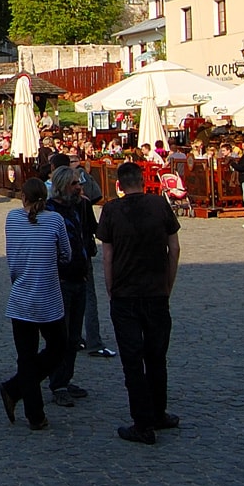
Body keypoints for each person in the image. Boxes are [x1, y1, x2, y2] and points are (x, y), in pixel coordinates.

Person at [97, 160, 182, 446]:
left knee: (132, 360)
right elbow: (175, 249)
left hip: (125, 293)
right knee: (157, 356)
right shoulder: (160, 206)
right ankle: (158, 412)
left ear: (119, 185)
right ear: (143, 181)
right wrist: (168, 283)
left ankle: (142, 423)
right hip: (156, 291)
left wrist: (110, 288)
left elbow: (106, 255)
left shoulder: (111, 210)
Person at [0, 178, 71, 431]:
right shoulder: (55, 221)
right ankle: (30, 407)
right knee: (58, 347)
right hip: (48, 296)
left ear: (23, 197)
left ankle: (24, 400)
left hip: (21, 296)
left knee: (26, 357)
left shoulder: (12, 219)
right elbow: (67, 254)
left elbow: (12, 257)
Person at [47, 168, 97, 407]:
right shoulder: (49, 211)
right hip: (61, 281)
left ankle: (66, 379)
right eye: (74, 184)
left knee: (74, 336)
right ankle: (57, 383)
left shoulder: (79, 208)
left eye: (79, 183)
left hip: (79, 277)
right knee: (61, 335)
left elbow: (84, 236)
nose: (79, 187)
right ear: (61, 186)